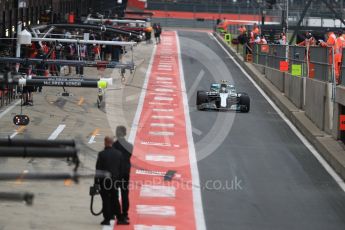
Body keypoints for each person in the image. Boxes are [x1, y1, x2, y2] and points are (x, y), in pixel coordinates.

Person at [95, 136, 128, 226]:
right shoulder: (119, 154)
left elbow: (98, 170)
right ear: (112, 143)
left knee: (106, 200)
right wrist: (119, 180)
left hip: (104, 181)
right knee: (115, 199)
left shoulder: (102, 154)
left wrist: (96, 183)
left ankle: (107, 219)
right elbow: (122, 169)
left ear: (105, 142)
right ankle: (120, 218)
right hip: (115, 180)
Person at [112, 126, 133, 223]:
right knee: (125, 194)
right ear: (125, 133)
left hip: (116, 173)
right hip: (125, 173)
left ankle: (117, 213)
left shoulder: (113, 146)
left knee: (114, 194)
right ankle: (125, 214)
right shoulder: (129, 146)